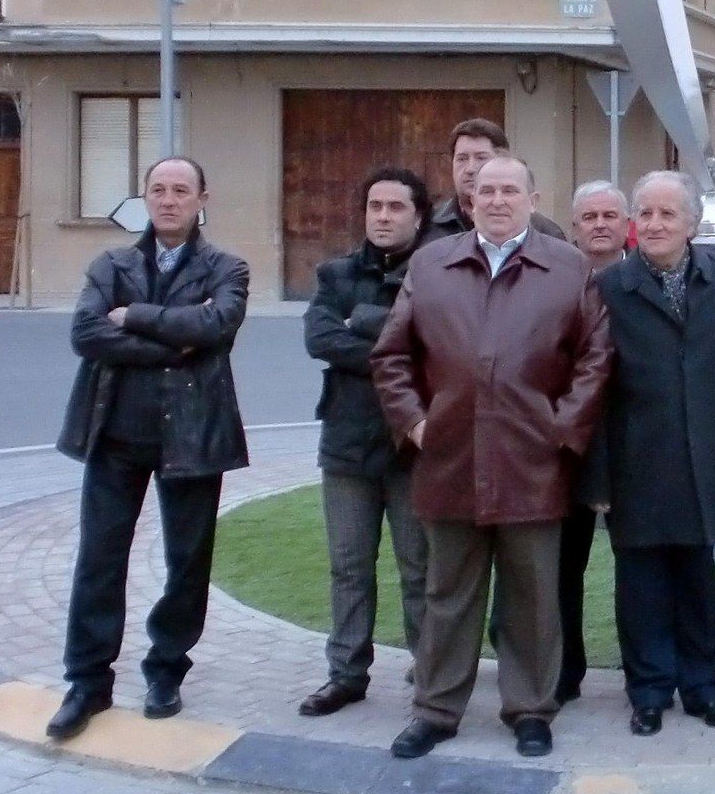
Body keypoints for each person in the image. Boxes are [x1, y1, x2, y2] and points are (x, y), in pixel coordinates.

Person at [371, 155, 612, 761]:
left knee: (533, 597)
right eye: (486, 191)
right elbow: (392, 356)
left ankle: (530, 709)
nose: (497, 200)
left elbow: (595, 358)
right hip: (450, 458)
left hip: (533, 463)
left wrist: (561, 429)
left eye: (510, 190)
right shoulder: (431, 265)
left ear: (534, 199)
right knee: (448, 595)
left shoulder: (568, 268)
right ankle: (435, 710)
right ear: (470, 200)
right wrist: (415, 423)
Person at [46, 157, 250, 742]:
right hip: (115, 435)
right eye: (158, 189)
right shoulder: (111, 264)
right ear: (144, 197)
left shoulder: (227, 268)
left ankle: (166, 667)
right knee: (99, 559)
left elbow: (216, 327)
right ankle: (88, 681)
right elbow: (86, 333)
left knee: (187, 560)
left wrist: (134, 316)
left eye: (180, 190)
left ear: (202, 198)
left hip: (193, 435)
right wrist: (170, 347)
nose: (168, 200)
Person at [588, 171, 715, 734]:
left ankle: (706, 691)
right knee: (641, 589)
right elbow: (594, 390)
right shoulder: (609, 288)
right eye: (646, 213)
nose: (655, 224)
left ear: (693, 223)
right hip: (635, 464)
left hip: (706, 460)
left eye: (668, 214)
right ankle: (650, 693)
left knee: (698, 585)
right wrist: (598, 480)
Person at [297, 166, 432, 719]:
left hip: (413, 446)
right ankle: (346, 675)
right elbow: (319, 339)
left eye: (396, 207)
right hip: (347, 444)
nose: (383, 216)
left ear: (418, 217)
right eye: (375, 206)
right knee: (349, 567)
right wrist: (394, 344)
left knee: (419, 568)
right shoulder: (334, 274)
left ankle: (431, 672)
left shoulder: (436, 273)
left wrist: (362, 322)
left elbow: (435, 344)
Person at [545, 179, 630, 703]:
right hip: (565, 447)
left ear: (626, 225)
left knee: (639, 569)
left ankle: (645, 675)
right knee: (561, 568)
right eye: (589, 217)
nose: (599, 225)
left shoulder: (645, 280)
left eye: (609, 216)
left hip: (633, 447)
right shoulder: (554, 283)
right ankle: (562, 673)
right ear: (574, 227)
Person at [429, 117, 565, 242]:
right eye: (462, 159)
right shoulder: (427, 226)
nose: (470, 169)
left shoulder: (545, 232)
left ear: (503, 160)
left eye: (481, 158)